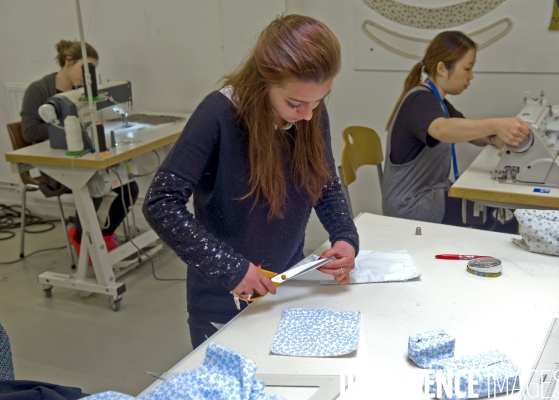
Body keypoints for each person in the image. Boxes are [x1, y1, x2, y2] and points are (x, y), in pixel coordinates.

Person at [143, 14, 359, 348]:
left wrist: (345, 236)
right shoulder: (218, 114)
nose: (308, 115)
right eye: (295, 103)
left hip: (285, 287)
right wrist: (230, 268)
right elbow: (161, 203)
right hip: (221, 300)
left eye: (319, 101)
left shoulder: (308, 114)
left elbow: (324, 181)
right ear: (265, 81)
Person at [381, 31, 530, 226]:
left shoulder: (438, 102)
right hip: (411, 205)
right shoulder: (420, 100)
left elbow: (468, 132)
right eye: (467, 68)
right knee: (505, 218)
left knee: (499, 210)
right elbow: (442, 130)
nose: (471, 76)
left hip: (429, 196)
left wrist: (495, 137)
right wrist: (496, 124)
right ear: (442, 68)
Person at [21, 39, 139, 252]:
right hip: (56, 165)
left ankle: (104, 234)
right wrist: (69, 126)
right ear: (68, 61)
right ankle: (82, 237)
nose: (89, 77)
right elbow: (29, 131)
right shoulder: (38, 90)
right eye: (87, 69)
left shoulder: (83, 90)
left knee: (129, 186)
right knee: (94, 184)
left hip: (86, 156)